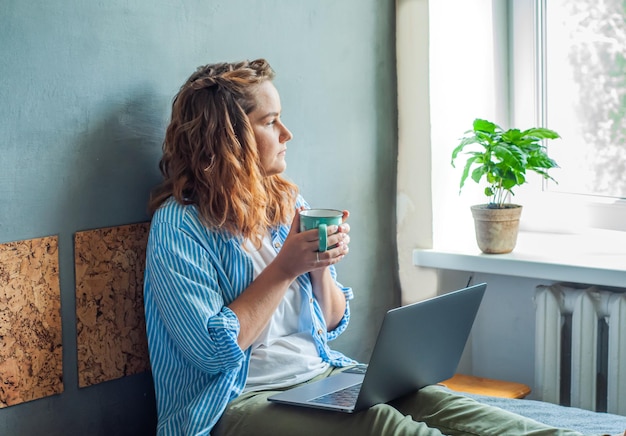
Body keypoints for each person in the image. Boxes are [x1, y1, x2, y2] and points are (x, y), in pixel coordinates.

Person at [143, 58, 612, 436]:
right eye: (271, 122)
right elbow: (212, 353)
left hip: (318, 376)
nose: (287, 134)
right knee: (384, 425)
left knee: (441, 402)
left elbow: (327, 324)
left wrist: (319, 267)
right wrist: (286, 267)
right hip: (235, 403)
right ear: (230, 139)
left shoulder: (285, 204)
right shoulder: (180, 228)